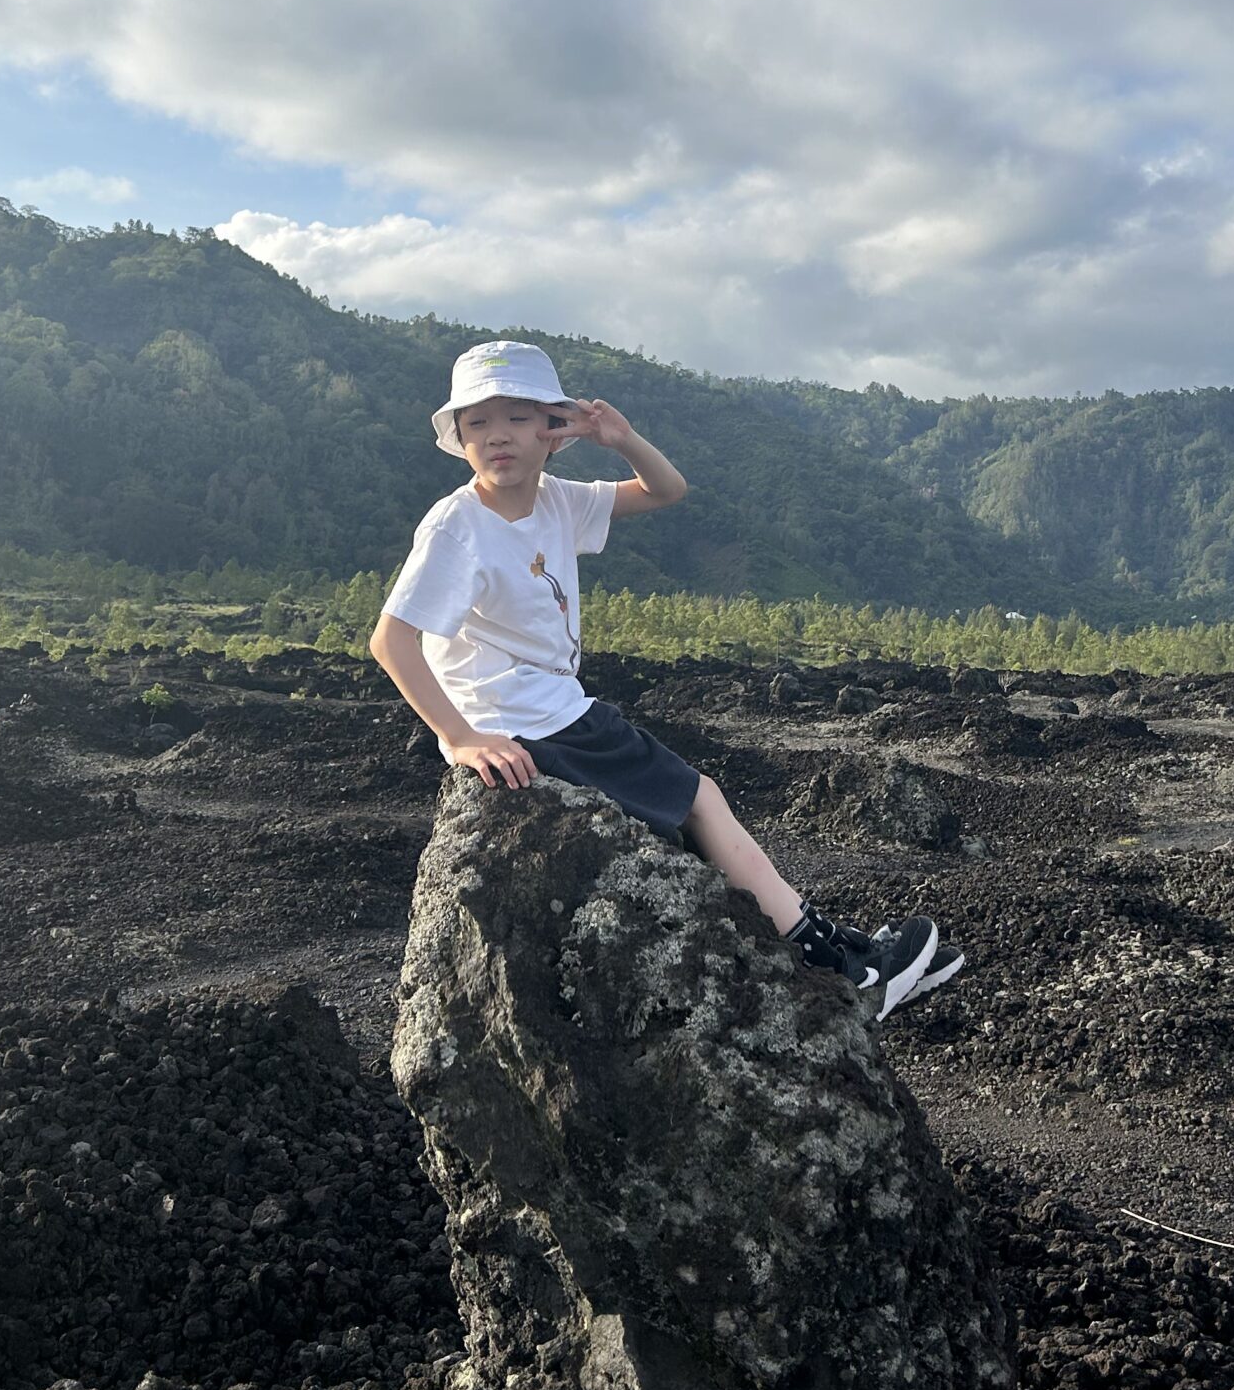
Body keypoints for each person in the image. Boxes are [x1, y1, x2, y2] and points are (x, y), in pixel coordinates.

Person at [370, 339, 964, 1020]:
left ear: (553, 432)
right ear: (459, 438)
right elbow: (392, 640)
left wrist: (620, 438)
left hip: (554, 709)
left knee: (687, 819)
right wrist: (464, 736)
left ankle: (826, 947)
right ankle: (845, 967)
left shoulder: (558, 501)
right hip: (536, 722)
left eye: (518, 416)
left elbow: (666, 490)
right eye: (477, 422)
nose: (497, 434)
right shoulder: (458, 524)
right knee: (701, 800)